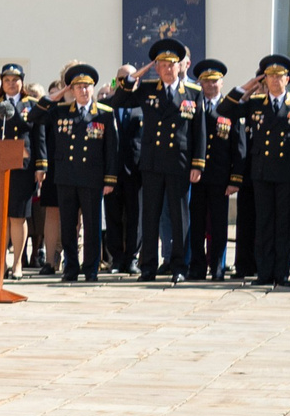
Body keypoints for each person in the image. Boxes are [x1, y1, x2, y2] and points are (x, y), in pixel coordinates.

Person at [100, 37, 205, 283]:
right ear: (155, 67)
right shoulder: (147, 89)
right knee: (149, 217)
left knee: (180, 218)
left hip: (179, 162)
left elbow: (199, 132)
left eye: (171, 64)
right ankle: (148, 266)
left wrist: (197, 163)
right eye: (161, 65)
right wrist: (135, 76)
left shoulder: (192, 92)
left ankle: (179, 266)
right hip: (152, 162)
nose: (167, 69)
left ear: (180, 66)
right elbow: (118, 100)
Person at [36, 63, 118, 282]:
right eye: (78, 87)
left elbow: (111, 148)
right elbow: (34, 117)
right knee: (68, 226)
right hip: (66, 177)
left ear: (93, 89)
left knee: (91, 226)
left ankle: (90, 268)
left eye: (87, 87)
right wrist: (59, 94)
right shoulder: (61, 111)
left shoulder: (104, 114)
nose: (83, 91)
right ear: (71, 90)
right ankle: (71, 267)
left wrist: (110, 178)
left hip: (92, 178)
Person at [220, 58, 290, 289]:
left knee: (284, 225)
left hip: (286, 174)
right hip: (261, 172)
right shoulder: (255, 103)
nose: (273, 80)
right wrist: (248, 86)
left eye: (278, 76)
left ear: (287, 80)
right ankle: (264, 272)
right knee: (263, 224)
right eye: (268, 76)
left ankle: (281, 273)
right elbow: (224, 109)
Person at [188, 59, 236, 279]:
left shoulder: (230, 108)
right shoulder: (192, 105)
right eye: (206, 81)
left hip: (220, 176)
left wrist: (234, 179)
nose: (210, 85)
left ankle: (217, 267)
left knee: (218, 225)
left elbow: (239, 146)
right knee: (195, 224)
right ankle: (197, 267)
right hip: (196, 176)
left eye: (214, 81)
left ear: (222, 82)